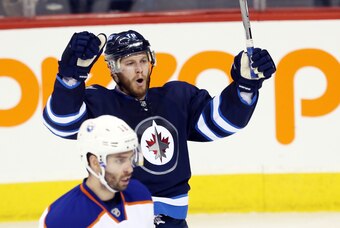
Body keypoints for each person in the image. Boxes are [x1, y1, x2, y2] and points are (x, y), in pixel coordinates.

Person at [42, 30, 276, 227]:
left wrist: (244, 87)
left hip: (174, 221)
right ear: (113, 69)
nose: (139, 69)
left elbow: (219, 123)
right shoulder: (99, 101)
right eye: (130, 63)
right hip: (122, 220)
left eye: (143, 60)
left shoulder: (177, 97)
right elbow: (61, 122)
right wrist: (70, 79)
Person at [39, 115, 154, 227]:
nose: (129, 168)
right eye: (119, 160)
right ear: (95, 162)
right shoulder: (61, 219)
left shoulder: (140, 193)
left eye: (130, 158)